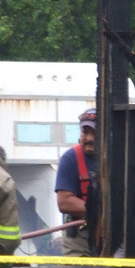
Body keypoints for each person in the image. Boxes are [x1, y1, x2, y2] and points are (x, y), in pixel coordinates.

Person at [55, 108, 98, 255]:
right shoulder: (70, 158)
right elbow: (64, 202)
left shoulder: (117, 158)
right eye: (85, 132)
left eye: (94, 133)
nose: (89, 138)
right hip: (79, 233)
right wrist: (101, 212)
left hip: (111, 232)